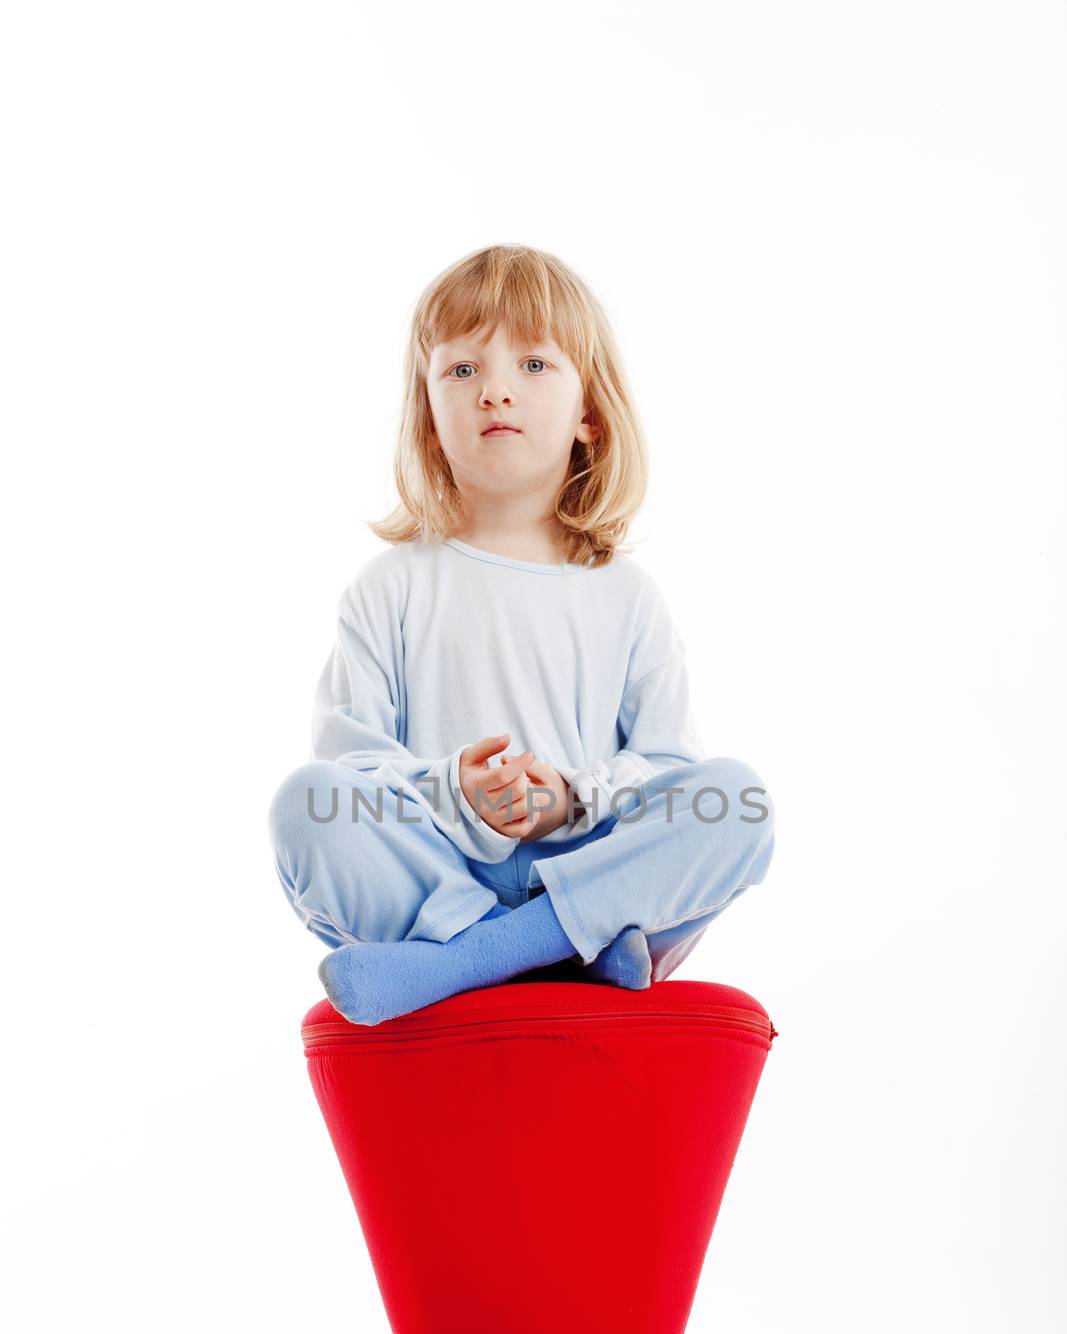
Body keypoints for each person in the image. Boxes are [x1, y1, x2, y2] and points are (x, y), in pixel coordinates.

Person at [267, 243, 775, 1026]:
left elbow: (668, 765)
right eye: (461, 370)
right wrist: (454, 792)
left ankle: (480, 960)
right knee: (308, 803)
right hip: (439, 880)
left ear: (589, 418)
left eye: (533, 365)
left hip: (591, 872)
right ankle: (539, 950)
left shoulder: (627, 598)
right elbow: (352, 762)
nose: (495, 391)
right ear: (430, 421)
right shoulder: (390, 587)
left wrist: (571, 798)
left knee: (735, 801)